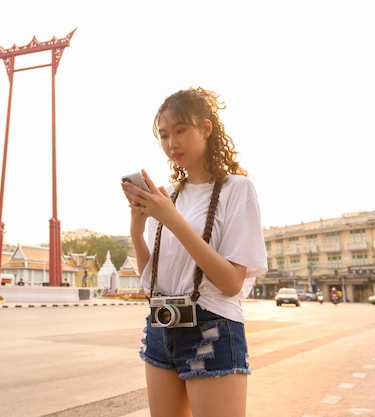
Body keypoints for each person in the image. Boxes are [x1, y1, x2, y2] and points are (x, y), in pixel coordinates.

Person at [121, 87, 268, 417]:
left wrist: (172, 220)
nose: (171, 143)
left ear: (205, 128)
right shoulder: (169, 196)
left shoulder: (237, 189)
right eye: (163, 135)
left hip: (211, 327)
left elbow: (231, 282)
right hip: (161, 328)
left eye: (180, 130)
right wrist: (137, 228)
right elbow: (153, 281)